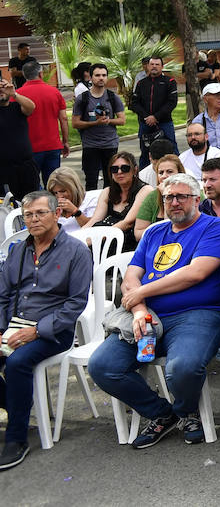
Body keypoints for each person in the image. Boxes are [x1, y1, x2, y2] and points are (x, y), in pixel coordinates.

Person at [88, 173, 220, 449]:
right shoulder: (155, 231)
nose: (174, 202)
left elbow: (195, 273)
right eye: (169, 197)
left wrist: (140, 293)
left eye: (181, 196)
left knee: (183, 368)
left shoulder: (215, 227)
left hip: (199, 313)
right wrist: (140, 308)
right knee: (103, 367)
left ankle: (186, 410)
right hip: (149, 316)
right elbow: (131, 275)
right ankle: (163, 414)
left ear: (197, 199)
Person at [0, 191, 93, 470]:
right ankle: (17, 407)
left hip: (55, 331)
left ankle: (16, 438)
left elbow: (76, 303)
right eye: (28, 214)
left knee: (17, 362)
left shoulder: (76, 250)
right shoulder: (18, 250)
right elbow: (4, 295)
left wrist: (37, 331)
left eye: (40, 213)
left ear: (56, 215)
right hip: (15, 326)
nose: (34, 219)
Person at [71, 63, 125, 190]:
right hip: (91, 145)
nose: (101, 78)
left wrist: (108, 121)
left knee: (111, 180)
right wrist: (95, 123)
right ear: (90, 77)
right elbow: (75, 123)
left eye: (104, 75)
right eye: (97, 75)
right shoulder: (82, 99)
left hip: (110, 144)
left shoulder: (113, 97)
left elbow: (122, 120)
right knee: (91, 180)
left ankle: (109, 207)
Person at [16, 60, 69, 184]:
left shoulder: (18, 95)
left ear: (24, 75)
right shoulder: (54, 92)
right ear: (40, 74)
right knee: (52, 184)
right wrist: (65, 142)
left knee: (31, 184)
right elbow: (64, 119)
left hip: (29, 147)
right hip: (52, 145)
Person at [0, 74, 39, 200]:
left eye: (3, 89)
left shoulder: (17, 108)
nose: (2, 92)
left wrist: (14, 94)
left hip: (26, 166)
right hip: (4, 169)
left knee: (31, 201)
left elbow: (31, 107)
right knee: (8, 206)